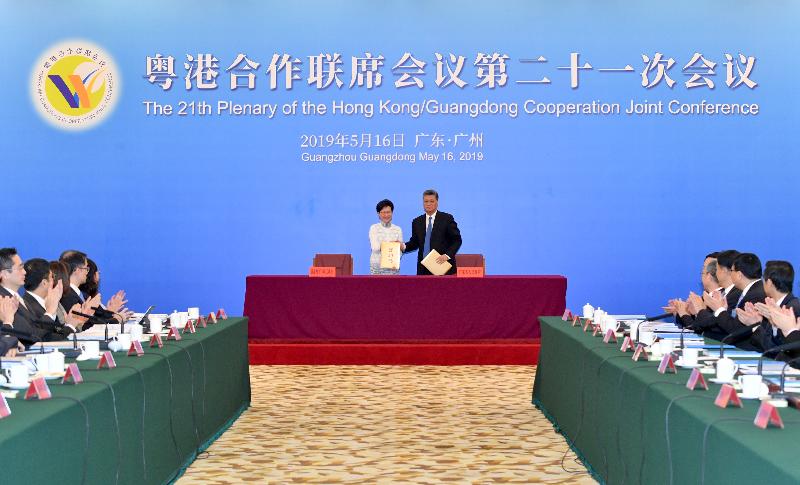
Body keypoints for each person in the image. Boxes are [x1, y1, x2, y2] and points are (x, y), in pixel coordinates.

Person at [402, 189, 462, 275]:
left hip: (442, 266)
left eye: (431, 201)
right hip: (423, 268)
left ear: (437, 202)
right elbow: (414, 243)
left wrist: (447, 255)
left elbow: (457, 240)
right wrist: (402, 246)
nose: (428, 204)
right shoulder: (417, 221)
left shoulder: (447, 218)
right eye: (426, 201)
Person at [368, 199, 403, 275]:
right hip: (377, 269)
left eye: (388, 212)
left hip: (393, 269)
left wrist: (400, 247)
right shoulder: (374, 228)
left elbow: (400, 251)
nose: (386, 215)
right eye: (383, 212)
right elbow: (375, 248)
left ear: (392, 212)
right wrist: (394, 245)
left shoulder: (398, 229)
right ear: (378, 214)